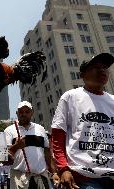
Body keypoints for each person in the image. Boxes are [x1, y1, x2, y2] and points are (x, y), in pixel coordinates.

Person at [51, 53, 114, 189]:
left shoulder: (113, 101)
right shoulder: (70, 97)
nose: (102, 70)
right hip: (83, 177)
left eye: (105, 67)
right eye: (96, 67)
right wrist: (63, 168)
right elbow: (57, 136)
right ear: (82, 75)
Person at [4, 101, 55, 189]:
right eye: (21, 112)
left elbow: (47, 152)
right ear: (17, 113)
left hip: (41, 177)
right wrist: (16, 146)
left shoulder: (40, 129)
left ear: (32, 113)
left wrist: (54, 172)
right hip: (19, 179)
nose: (24, 114)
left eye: (27, 111)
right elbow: (5, 157)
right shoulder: (9, 130)